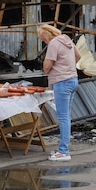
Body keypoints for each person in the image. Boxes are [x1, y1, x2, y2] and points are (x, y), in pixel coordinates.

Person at [38, 23, 80, 162]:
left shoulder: (54, 43)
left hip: (61, 81)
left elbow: (47, 65)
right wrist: (68, 65)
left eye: (42, 38)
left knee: (63, 118)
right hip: (73, 79)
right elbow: (78, 56)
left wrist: (49, 69)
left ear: (46, 35)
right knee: (66, 117)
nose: (43, 41)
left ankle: (63, 151)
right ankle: (64, 148)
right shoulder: (67, 40)